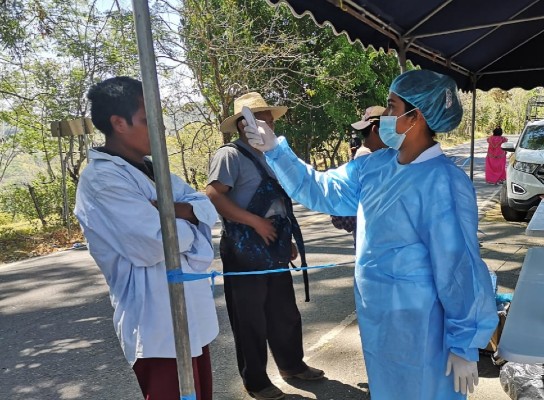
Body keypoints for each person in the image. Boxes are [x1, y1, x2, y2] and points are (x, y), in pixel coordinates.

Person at [244, 70, 499, 400]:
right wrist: (276, 150)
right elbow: (318, 189)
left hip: (423, 326)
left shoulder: (444, 182)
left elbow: (458, 267)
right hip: (378, 318)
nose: (386, 117)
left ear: (415, 117)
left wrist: (464, 342)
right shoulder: (374, 167)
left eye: (392, 107)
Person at [74, 77, 219, 400]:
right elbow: (156, 244)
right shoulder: (101, 180)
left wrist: (176, 211)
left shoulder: (154, 169)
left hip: (190, 316)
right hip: (157, 327)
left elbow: (206, 207)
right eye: (147, 118)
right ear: (118, 123)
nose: (161, 126)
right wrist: (186, 219)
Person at [206, 92, 324, 400]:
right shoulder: (230, 155)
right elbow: (214, 195)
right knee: (250, 318)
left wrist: (286, 241)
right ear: (243, 124)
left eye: (269, 120)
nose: (268, 125)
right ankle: (256, 381)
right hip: (244, 247)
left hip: (274, 243)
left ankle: (292, 365)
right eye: (261, 120)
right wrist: (254, 222)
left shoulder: (270, 154)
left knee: (283, 310)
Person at [331, 105, 387, 244]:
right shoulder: (366, 158)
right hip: (370, 233)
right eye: (389, 128)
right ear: (376, 130)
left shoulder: (373, 155)